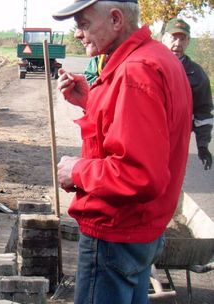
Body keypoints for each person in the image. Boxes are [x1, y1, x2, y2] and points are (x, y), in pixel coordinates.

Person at [52, 1, 192, 303]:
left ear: (115, 19)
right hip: (141, 231)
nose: (77, 33)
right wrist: (89, 99)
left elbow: (139, 173)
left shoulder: (135, 72)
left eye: (83, 23)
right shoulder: (157, 58)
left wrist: (77, 170)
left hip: (115, 234)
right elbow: (142, 127)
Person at [161, 18, 213, 170]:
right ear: (164, 38)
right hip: (147, 138)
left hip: (177, 142)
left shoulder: (197, 74)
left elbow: (203, 112)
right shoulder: (149, 65)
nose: (177, 43)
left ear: (188, 41)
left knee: (172, 184)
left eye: (182, 39)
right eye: (173, 37)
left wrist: (203, 146)